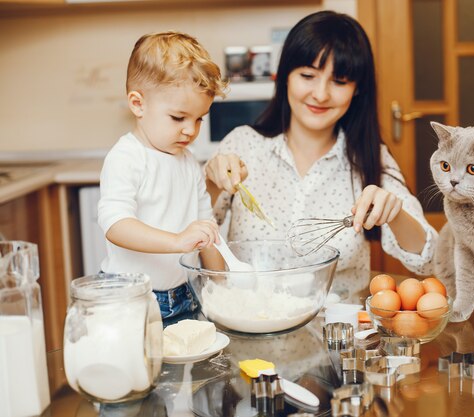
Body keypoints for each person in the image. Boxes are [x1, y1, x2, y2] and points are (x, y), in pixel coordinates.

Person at [204, 11, 437, 278]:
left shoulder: (372, 158)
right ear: (285, 76)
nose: (321, 94)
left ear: (357, 89)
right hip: (251, 315)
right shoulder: (242, 144)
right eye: (307, 75)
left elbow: (429, 261)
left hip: (338, 318)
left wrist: (396, 214)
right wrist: (211, 184)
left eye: (339, 81)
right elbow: (185, 234)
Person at [98, 31, 226, 324]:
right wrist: (179, 240)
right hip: (133, 299)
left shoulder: (189, 162)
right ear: (138, 104)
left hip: (186, 295)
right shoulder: (126, 157)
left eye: (199, 119)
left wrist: (223, 286)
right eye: (178, 118)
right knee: (141, 369)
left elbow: (208, 231)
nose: (190, 130)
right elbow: (116, 225)